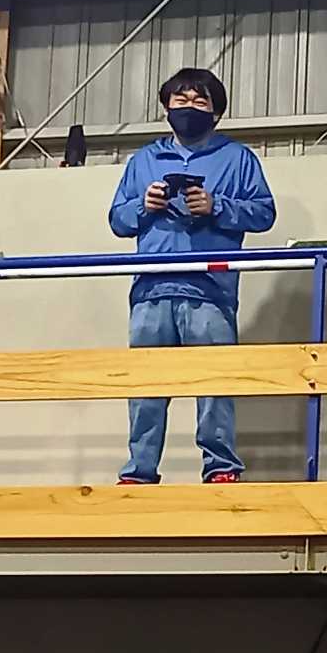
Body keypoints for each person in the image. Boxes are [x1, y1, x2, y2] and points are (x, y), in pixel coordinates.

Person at [108, 68, 276, 484]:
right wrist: (144, 205)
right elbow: (117, 219)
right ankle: (139, 471)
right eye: (180, 100)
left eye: (200, 101)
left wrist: (217, 206)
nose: (188, 107)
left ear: (216, 113)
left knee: (215, 384)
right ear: (166, 108)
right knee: (145, 387)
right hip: (151, 288)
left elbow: (264, 213)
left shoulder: (238, 159)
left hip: (211, 291)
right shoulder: (143, 160)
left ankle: (221, 467)